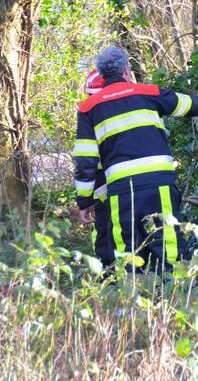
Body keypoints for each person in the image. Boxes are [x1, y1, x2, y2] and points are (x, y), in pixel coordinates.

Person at [73, 47, 198, 272]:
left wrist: (85, 201)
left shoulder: (88, 108)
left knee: (127, 249)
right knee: (168, 242)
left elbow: (85, 160)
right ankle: (177, 296)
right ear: (126, 70)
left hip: (121, 190)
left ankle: (130, 300)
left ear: (102, 75)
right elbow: (184, 103)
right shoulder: (148, 92)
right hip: (159, 184)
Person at [78, 69, 114, 268]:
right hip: (109, 189)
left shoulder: (92, 113)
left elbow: (86, 162)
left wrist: (85, 200)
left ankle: (109, 276)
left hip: (109, 191)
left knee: (108, 236)